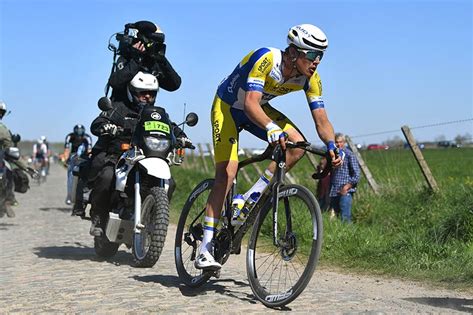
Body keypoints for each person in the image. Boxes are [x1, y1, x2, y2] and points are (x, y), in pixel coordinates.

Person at [194, 24, 343, 270]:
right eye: (313, 55)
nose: (317, 62)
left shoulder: (310, 79)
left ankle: (250, 197)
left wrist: (331, 145)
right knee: (227, 174)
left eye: (321, 56)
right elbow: (251, 103)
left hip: (258, 109)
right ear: (294, 53)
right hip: (229, 108)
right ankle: (205, 248)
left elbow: (322, 120)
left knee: (298, 146)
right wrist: (271, 127)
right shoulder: (266, 59)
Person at [87, 71, 189, 236]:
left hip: (148, 157)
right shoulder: (118, 107)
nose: (147, 96)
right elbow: (98, 122)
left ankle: (155, 221)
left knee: (171, 182)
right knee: (106, 176)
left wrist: (182, 137)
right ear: (133, 92)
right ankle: (98, 216)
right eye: (143, 92)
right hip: (121, 156)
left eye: (151, 93)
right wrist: (106, 126)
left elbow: (172, 127)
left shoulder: (157, 114)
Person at [108, 21, 181, 102]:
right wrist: (136, 60)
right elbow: (115, 82)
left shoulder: (154, 62)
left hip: (146, 111)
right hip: (122, 110)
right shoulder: (125, 59)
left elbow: (174, 85)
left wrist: (162, 61)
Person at [329, 133, 361, 223]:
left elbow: (357, 175)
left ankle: (349, 236)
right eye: (336, 142)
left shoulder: (349, 155)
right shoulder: (333, 155)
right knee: (336, 218)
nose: (339, 144)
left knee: (345, 218)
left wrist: (346, 187)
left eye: (341, 142)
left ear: (345, 142)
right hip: (334, 191)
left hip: (345, 191)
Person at [63, 124, 93, 207]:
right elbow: (67, 149)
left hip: (84, 158)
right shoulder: (70, 137)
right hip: (73, 157)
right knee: (70, 177)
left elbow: (89, 149)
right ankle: (69, 195)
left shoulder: (87, 137)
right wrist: (65, 160)